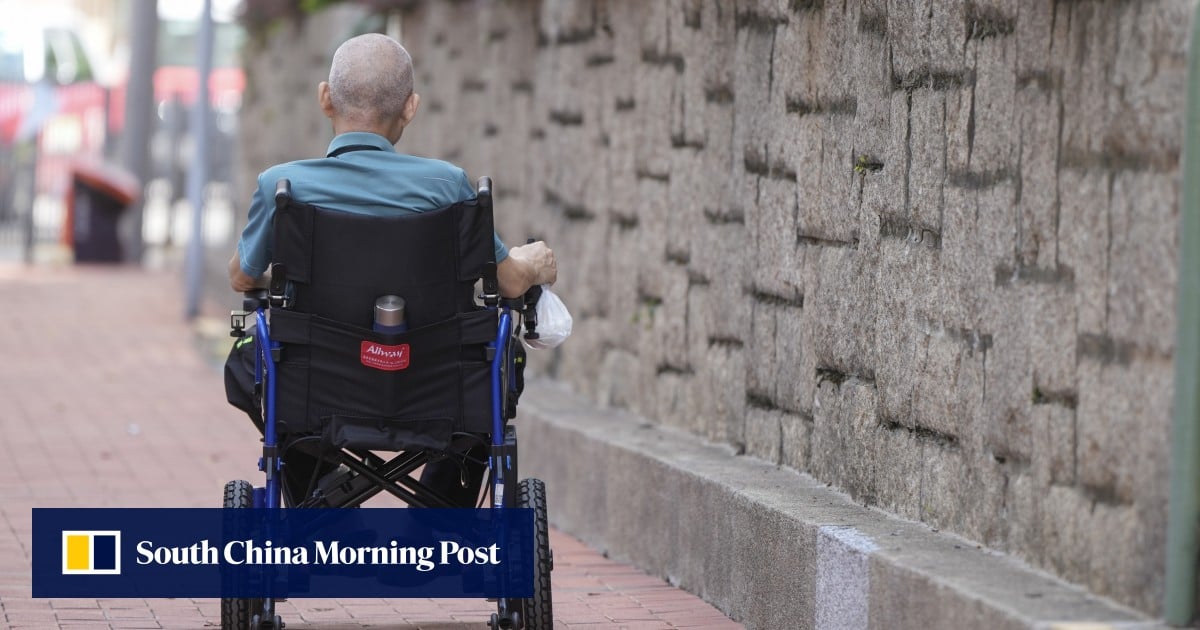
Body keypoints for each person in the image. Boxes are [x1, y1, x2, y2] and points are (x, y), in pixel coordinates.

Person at [224, 33, 556, 507]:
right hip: (437, 389)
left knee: (252, 361)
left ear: (325, 98)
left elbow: (242, 277)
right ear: (410, 108)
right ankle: (444, 499)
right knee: (495, 362)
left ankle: (316, 483)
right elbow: (510, 281)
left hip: (317, 389)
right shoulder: (448, 187)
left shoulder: (283, 187)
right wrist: (533, 261)